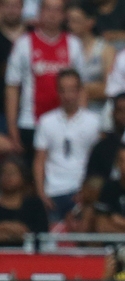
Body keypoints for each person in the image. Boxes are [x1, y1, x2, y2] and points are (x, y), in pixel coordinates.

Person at [5, 0, 82, 162]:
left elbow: (81, 89)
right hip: (30, 122)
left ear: (63, 15)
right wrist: (12, 130)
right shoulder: (23, 44)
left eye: (57, 10)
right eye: (48, 9)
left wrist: (80, 123)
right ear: (39, 12)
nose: (52, 15)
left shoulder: (74, 45)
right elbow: (12, 88)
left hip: (65, 124)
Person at [33, 69, 100, 222]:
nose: (68, 96)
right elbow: (39, 160)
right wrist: (41, 193)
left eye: (72, 90)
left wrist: (88, 191)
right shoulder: (46, 121)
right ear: (58, 91)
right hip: (53, 192)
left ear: (79, 91)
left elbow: (96, 162)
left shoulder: (94, 121)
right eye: (63, 90)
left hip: (81, 191)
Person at [66, 3, 114, 114]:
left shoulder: (105, 50)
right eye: (68, 21)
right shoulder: (64, 48)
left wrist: (76, 90)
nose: (70, 25)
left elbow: (109, 88)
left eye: (75, 21)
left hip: (98, 111)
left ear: (90, 22)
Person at [86, 92, 125, 181]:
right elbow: (93, 179)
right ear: (113, 113)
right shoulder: (102, 147)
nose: (124, 115)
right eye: (120, 110)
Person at [0, 157, 46, 244]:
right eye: (4, 172)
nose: (7, 177)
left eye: (12, 173)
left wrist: (5, 229)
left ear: (23, 176)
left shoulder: (34, 205)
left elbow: (41, 233)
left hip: (28, 255)